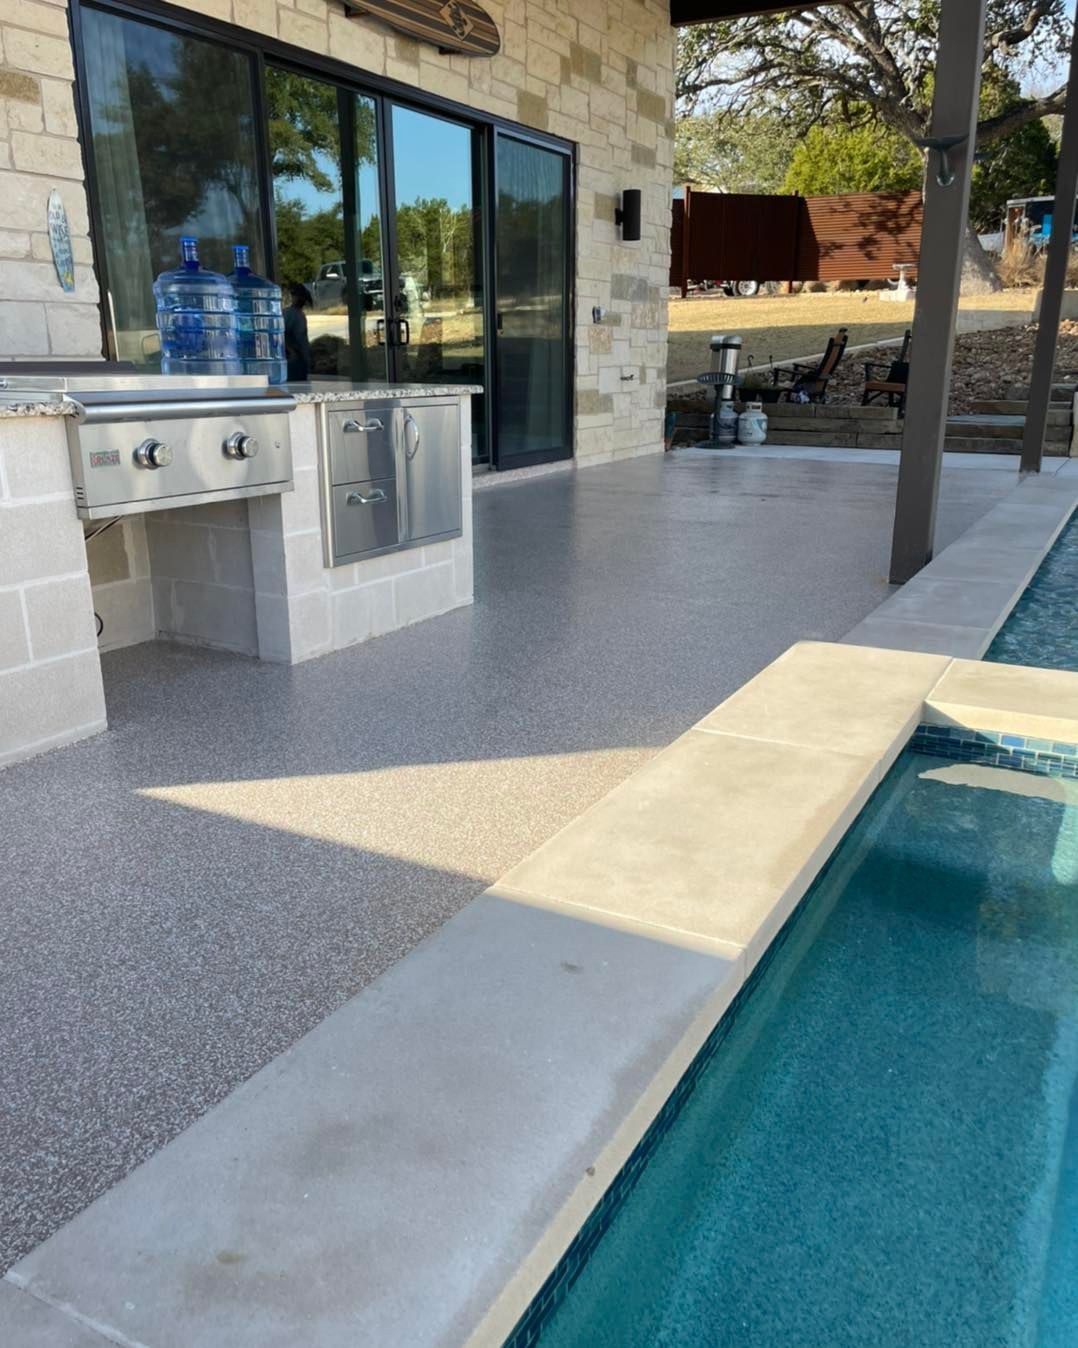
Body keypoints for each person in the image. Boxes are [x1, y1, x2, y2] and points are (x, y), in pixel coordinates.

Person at [283, 283, 313, 383]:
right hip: (294, 358)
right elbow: (281, 335)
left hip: (300, 358)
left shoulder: (298, 314)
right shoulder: (289, 314)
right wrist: (291, 351)